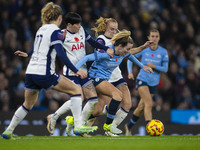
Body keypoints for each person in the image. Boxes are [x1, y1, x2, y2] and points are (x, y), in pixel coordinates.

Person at [1, 2, 97, 139]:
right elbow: (61, 54)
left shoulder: (42, 29)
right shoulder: (55, 31)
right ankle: (78, 127)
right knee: (76, 90)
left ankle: (8, 131)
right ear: (59, 17)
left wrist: (28, 54)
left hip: (31, 72)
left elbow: (40, 47)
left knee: (27, 104)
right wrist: (76, 70)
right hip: (45, 72)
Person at [85, 17, 154, 136]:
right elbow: (99, 54)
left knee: (127, 104)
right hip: (103, 77)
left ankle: (110, 129)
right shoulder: (101, 40)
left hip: (116, 75)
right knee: (99, 110)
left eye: (116, 29)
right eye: (112, 29)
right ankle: (83, 125)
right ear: (106, 28)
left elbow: (129, 52)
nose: (114, 31)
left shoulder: (119, 41)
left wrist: (143, 47)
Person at [125, 29, 169, 136]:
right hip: (142, 79)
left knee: (141, 106)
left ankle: (128, 126)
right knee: (149, 103)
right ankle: (151, 129)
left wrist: (154, 66)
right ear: (148, 38)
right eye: (152, 36)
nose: (154, 38)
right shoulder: (144, 49)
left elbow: (165, 69)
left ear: (159, 38)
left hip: (153, 83)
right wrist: (130, 72)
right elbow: (130, 58)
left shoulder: (163, 52)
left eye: (156, 36)